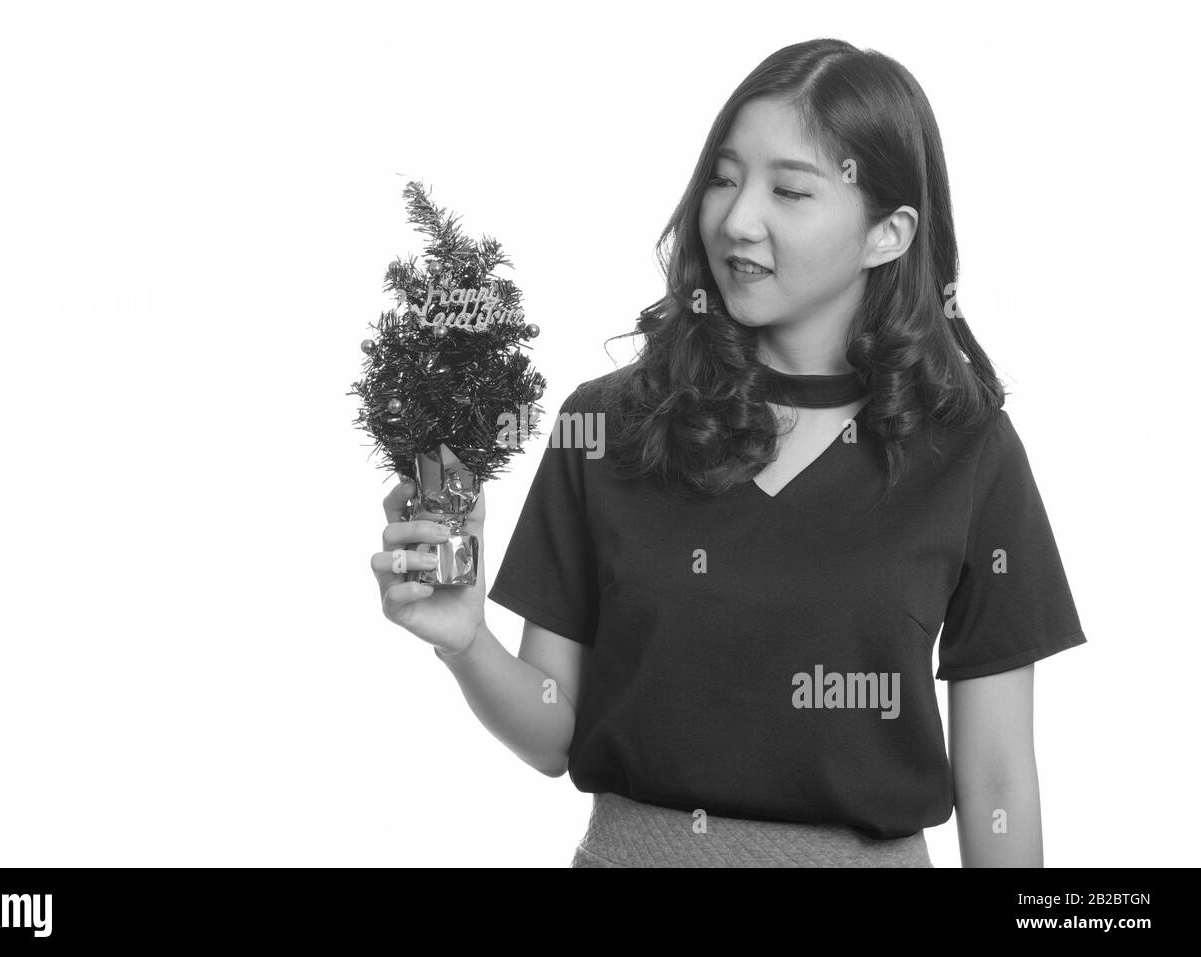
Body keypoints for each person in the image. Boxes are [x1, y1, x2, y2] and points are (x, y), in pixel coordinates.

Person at [370, 38, 1086, 867]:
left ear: (888, 234)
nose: (738, 219)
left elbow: (997, 783)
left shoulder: (967, 451)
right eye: (724, 176)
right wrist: (464, 641)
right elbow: (552, 730)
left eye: (789, 189)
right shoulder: (607, 428)